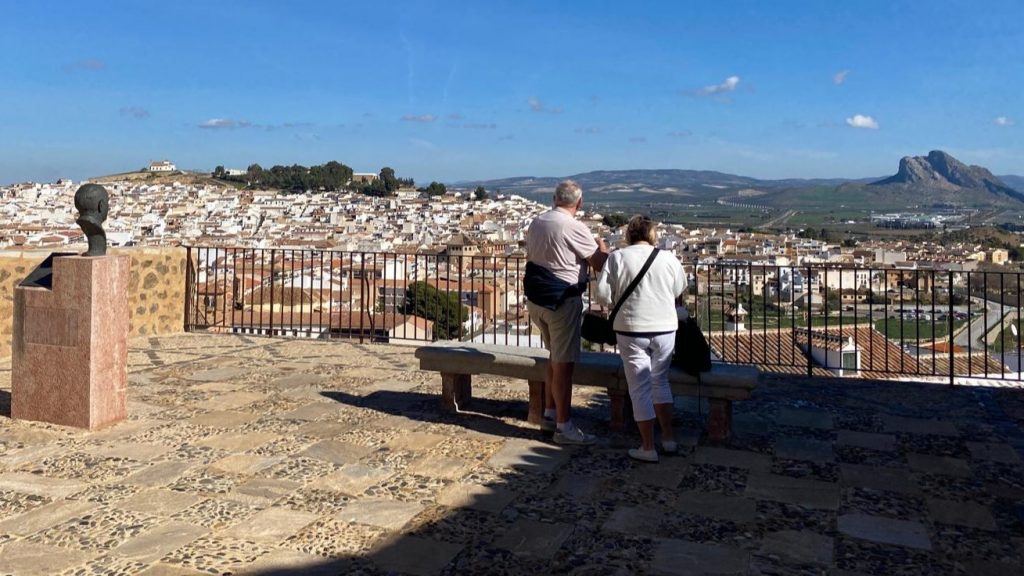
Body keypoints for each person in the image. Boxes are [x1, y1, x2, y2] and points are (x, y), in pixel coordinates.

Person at [595, 215, 686, 462]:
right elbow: (679, 289)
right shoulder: (668, 258)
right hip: (666, 327)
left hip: (630, 328)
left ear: (629, 236)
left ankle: (647, 446)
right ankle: (668, 438)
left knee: (640, 388)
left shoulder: (616, 258)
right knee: (660, 382)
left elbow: (602, 295)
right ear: (653, 235)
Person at [524, 180, 608, 445]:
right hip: (562, 301)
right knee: (564, 366)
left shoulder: (537, 222)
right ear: (579, 203)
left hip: (537, 300)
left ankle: (549, 415)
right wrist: (603, 249)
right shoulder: (573, 227)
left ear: (553, 198)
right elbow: (599, 263)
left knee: (553, 359)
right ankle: (564, 425)